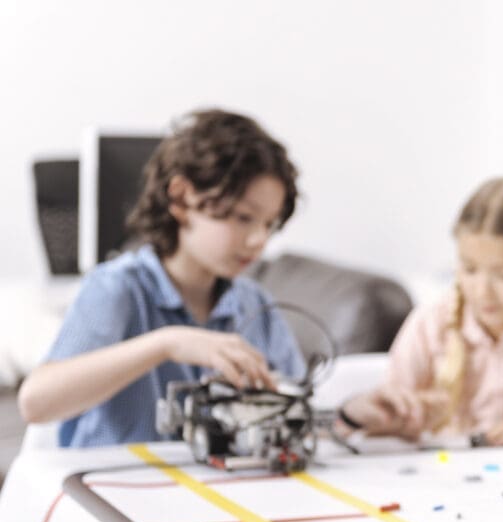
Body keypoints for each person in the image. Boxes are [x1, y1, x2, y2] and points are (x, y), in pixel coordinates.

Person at [18, 109, 305, 448]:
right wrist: (166, 344)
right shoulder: (118, 289)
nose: (259, 240)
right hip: (113, 487)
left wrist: (351, 416)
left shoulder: (254, 304)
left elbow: (300, 405)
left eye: (269, 224)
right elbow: (36, 402)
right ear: (182, 198)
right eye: (243, 217)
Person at [340, 174, 503, 446]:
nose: (482, 291)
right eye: (469, 269)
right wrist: (395, 416)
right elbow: (375, 426)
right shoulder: (432, 323)